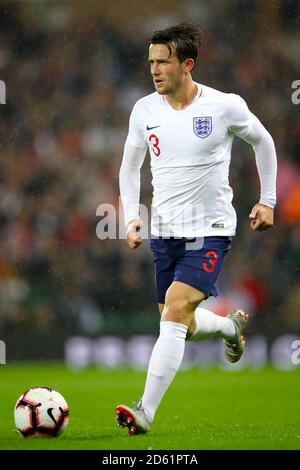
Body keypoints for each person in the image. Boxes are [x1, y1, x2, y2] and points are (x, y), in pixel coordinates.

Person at [116, 23, 277, 435]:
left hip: (211, 228)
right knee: (179, 325)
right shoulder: (144, 110)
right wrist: (132, 215)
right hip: (165, 231)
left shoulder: (224, 106)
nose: (154, 70)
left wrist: (268, 200)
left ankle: (144, 412)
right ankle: (229, 326)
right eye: (150, 62)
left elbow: (263, 141)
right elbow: (130, 165)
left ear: (187, 64)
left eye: (163, 62)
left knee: (174, 310)